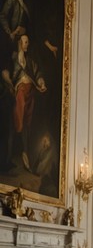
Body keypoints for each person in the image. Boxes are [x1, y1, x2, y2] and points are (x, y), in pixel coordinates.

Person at [2, 33, 47, 171]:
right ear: (20, 43)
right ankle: (19, 152)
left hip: (31, 93)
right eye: (25, 42)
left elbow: (38, 74)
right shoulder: (13, 58)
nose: (27, 44)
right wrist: (10, 84)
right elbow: (5, 72)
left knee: (28, 122)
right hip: (19, 93)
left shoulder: (30, 61)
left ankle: (25, 153)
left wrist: (42, 83)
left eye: (27, 42)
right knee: (18, 122)